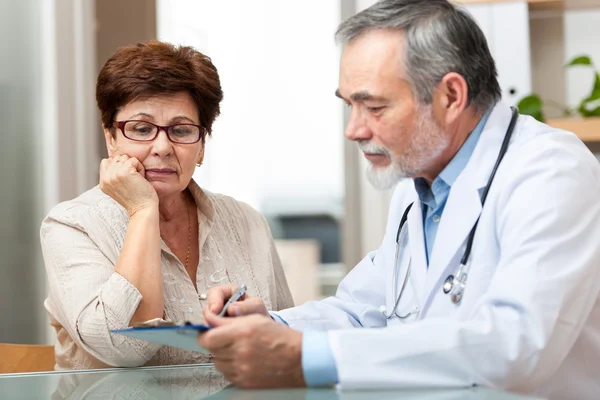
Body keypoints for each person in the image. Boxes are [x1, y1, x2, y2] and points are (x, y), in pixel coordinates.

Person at [197, 0, 600, 397]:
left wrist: (305, 355)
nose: (353, 129)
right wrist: (270, 326)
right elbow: (361, 311)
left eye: (374, 106)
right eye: (350, 105)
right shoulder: (417, 184)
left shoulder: (552, 173)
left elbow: (516, 347)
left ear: (450, 96)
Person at [40, 41, 294, 370]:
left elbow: (286, 337)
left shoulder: (248, 222)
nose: (162, 146)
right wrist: (143, 211)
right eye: (142, 129)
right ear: (111, 139)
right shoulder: (71, 225)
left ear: (201, 147)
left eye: (182, 130)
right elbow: (126, 346)